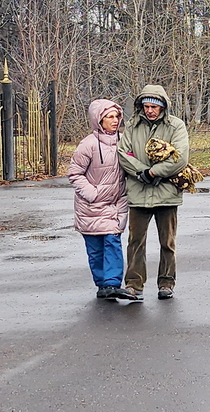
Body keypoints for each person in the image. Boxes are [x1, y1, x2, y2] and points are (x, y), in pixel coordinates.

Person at [117, 84, 190, 301]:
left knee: (167, 241)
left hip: (166, 191)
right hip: (138, 192)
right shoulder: (132, 126)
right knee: (135, 241)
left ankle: (166, 283)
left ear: (163, 107)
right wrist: (143, 173)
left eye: (154, 107)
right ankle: (133, 284)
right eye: (146, 106)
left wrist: (155, 172)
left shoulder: (176, 126)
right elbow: (123, 153)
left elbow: (180, 157)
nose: (150, 110)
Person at [68, 99, 131, 300]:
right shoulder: (88, 145)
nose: (115, 121)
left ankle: (112, 283)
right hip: (90, 206)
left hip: (114, 204)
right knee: (95, 249)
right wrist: (92, 193)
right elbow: (74, 174)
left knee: (112, 241)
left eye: (116, 117)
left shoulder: (124, 142)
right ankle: (102, 285)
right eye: (109, 117)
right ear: (99, 120)